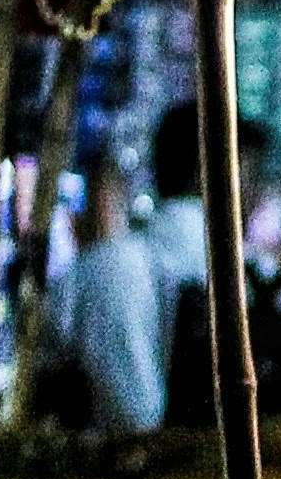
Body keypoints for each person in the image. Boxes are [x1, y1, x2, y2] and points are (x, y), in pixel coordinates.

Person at [41, 105, 262, 434]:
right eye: (252, 175)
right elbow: (135, 419)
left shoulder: (115, 263)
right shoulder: (119, 268)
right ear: (228, 174)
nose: (257, 195)